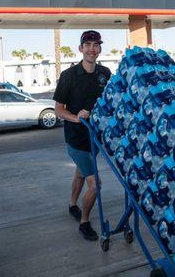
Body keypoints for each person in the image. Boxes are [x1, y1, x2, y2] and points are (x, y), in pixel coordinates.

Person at [53, 30, 111, 241]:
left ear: (100, 49)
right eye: (87, 45)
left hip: (95, 139)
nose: (92, 49)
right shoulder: (68, 76)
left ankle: (72, 205)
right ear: (80, 49)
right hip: (76, 139)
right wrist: (78, 118)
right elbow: (59, 110)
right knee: (95, 185)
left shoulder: (105, 73)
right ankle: (84, 222)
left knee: (79, 173)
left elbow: (109, 103)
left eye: (96, 45)